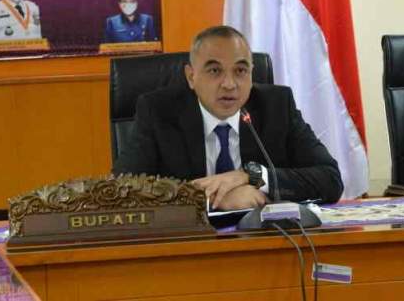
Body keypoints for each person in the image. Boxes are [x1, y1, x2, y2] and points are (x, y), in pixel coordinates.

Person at [113, 25, 343, 210]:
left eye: (240, 71)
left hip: (264, 242)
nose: (229, 84)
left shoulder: (277, 106)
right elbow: (121, 191)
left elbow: (330, 179)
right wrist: (210, 200)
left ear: (251, 74)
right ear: (191, 77)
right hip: (186, 246)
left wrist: (251, 177)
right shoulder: (158, 111)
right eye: (215, 71)